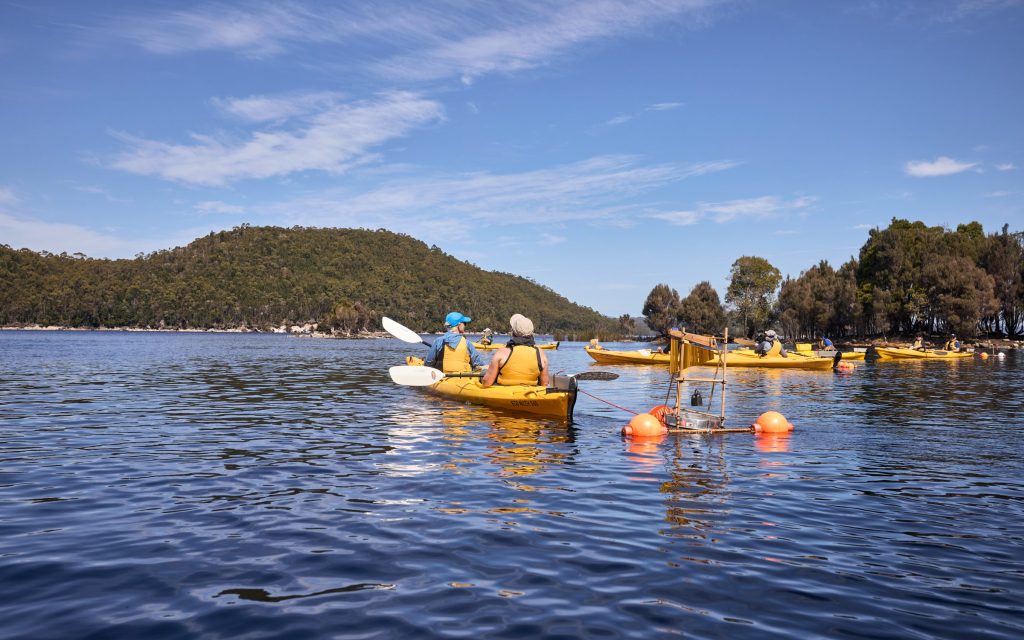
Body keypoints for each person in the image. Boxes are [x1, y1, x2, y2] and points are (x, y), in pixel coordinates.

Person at [480, 314, 550, 387]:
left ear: (513, 332)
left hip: (504, 393)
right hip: (529, 393)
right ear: (531, 333)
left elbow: (487, 382)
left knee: (484, 372)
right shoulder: (540, 353)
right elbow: (544, 383)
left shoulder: (502, 351)